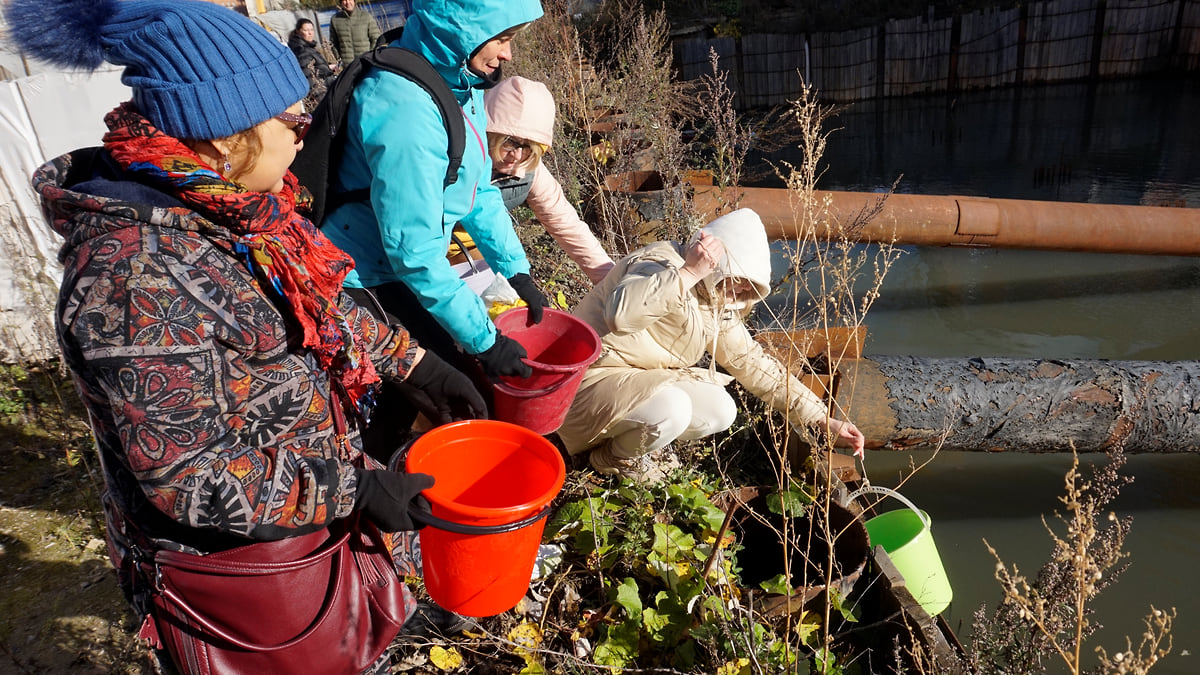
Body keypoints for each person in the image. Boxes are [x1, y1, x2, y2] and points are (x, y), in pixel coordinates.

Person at [4, 0, 484, 670]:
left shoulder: (242, 211)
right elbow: (190, 476)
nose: (303, 130)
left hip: (309, 519)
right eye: (287, 119)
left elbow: (313, 306)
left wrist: (414, 363)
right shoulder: (134, 279)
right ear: (223, 137)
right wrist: (353, 489)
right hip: (246, 571)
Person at [322, 0, 547, 385]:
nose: (508, 53)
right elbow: (414, 251)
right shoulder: (405, 107)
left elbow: (475, 190)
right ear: (462, 29)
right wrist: (485, 343)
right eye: (502, 39)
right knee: (448, 393)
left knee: (463, 374)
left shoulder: (457, 81)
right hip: (363, 274)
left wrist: (516, 270)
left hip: (403, 266)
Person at [557, 208, 867, 483]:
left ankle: (615, 449)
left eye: (750, 284)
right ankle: (611, 457)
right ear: (715, 263)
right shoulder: (659, 264)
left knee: (721, 410)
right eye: (738, 278)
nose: (742, 288)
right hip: (582, 386)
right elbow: (620, 315)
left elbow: (752, 362)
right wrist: (689, 273)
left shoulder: (714, 300)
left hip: (631, 384)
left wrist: (818, 416)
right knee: (673, 409)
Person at [484, 76, 615, 285]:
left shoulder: (530, 170)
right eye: (509, 142)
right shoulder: (452, 158)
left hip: (483, 257)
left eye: (529, 147)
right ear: (489, 132)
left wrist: (611, 282)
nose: (517, 156)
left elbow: (566, 224)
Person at [288, 18, 337, 95]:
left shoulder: (309, 47)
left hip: (329, 89)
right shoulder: (301, 50)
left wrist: (327, 67)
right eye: (306, 30)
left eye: (311, 30)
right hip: (322, 94)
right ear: (298, 31)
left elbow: (315, 68)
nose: (310, 33)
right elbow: (310, 78)